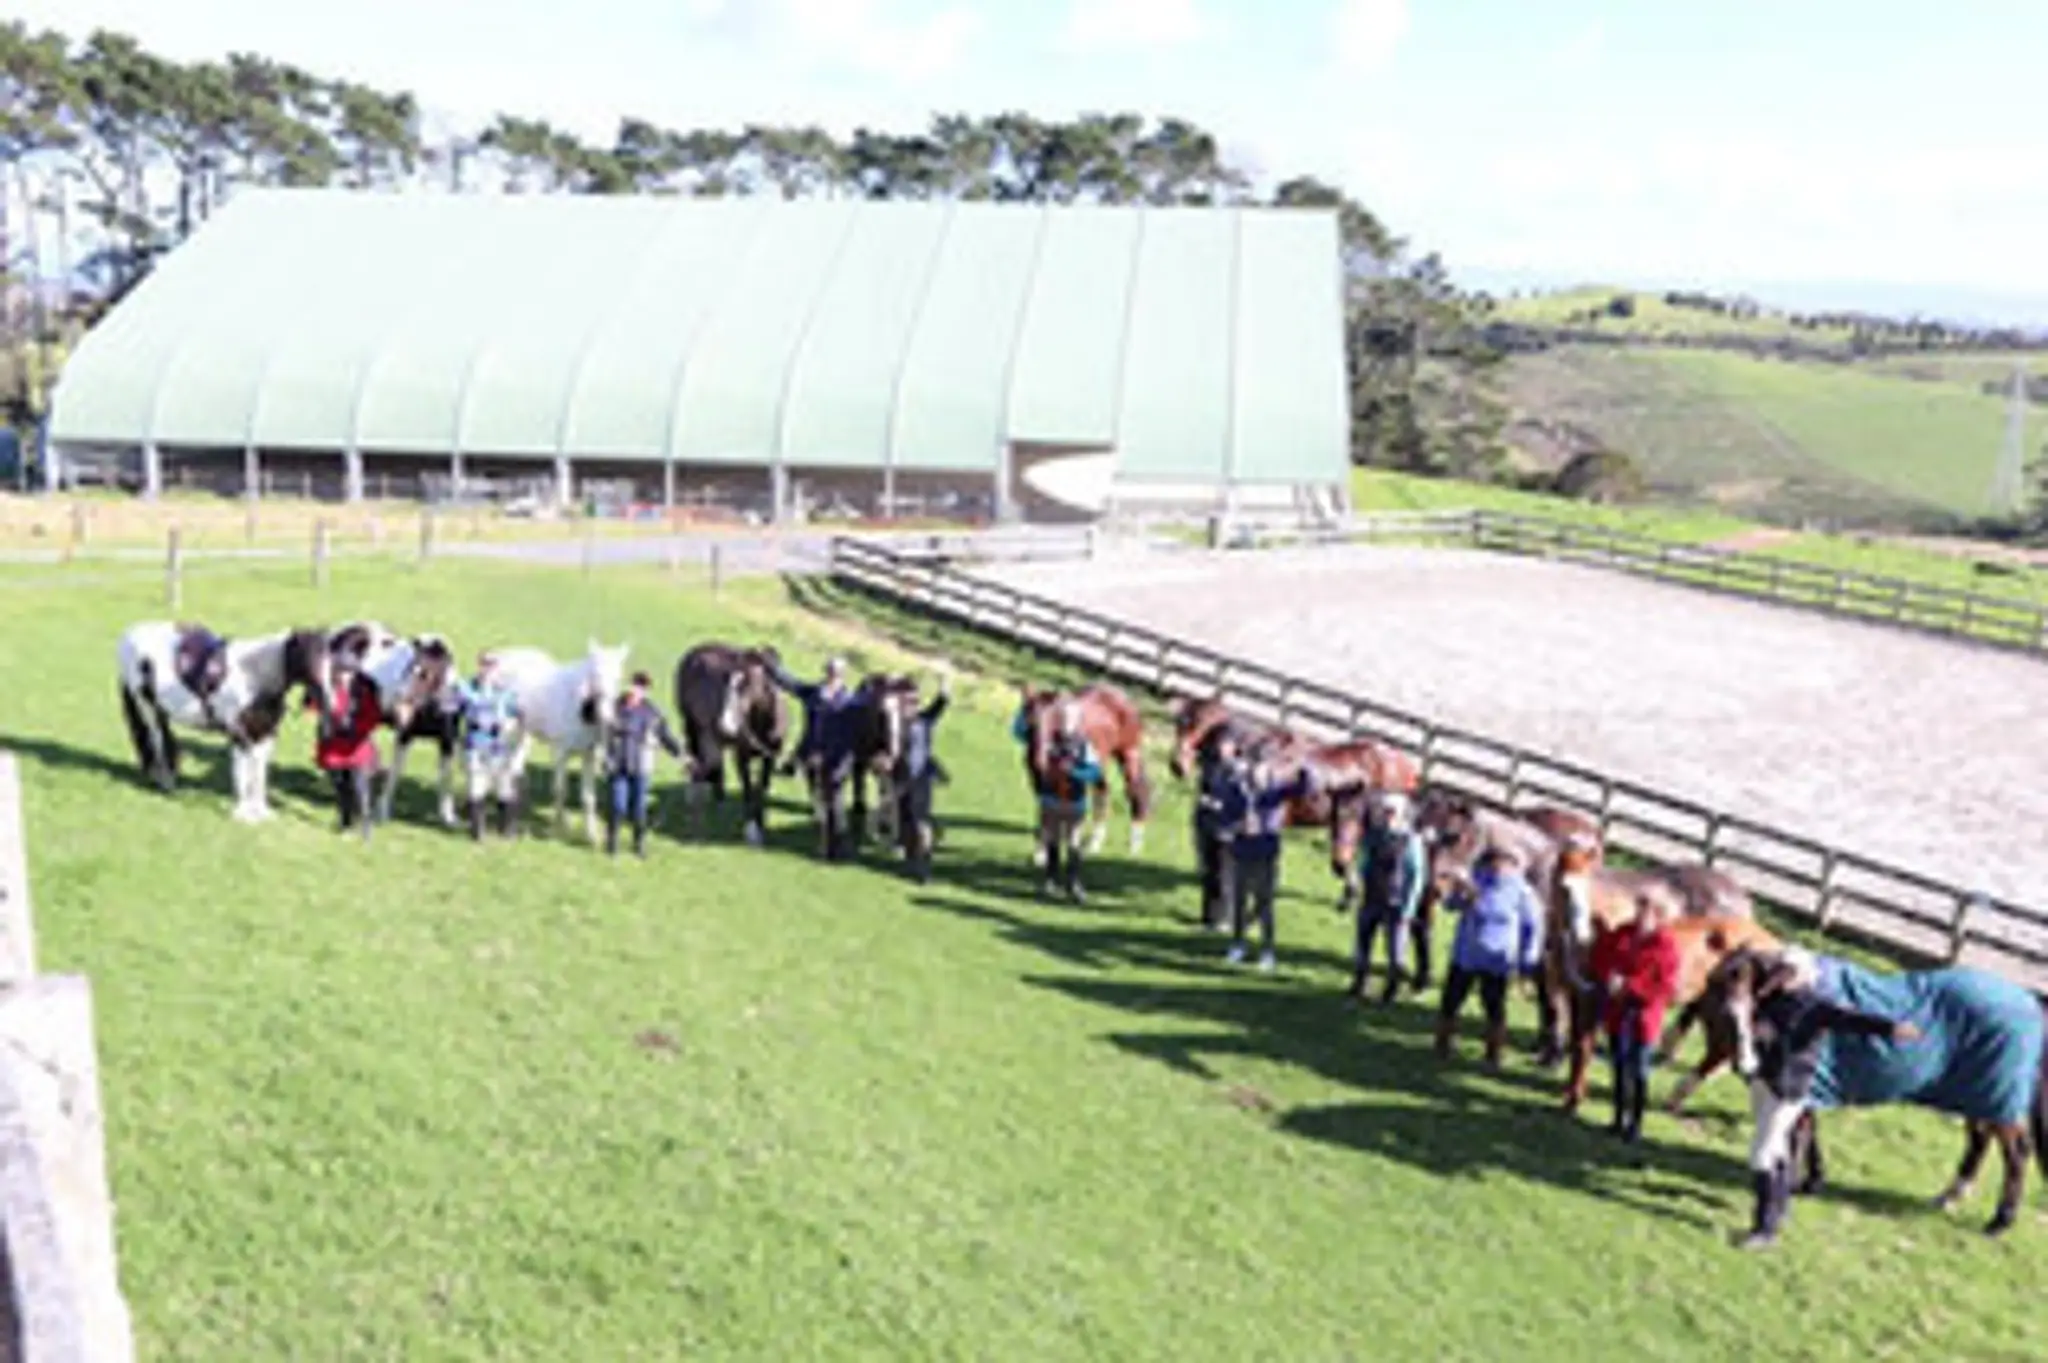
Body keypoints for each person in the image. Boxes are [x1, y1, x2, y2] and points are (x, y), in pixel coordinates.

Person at [1740, 979, 1921, 1247]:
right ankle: (1778, 1209)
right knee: (1775, 1149)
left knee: (1762, 1154)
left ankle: (1764, 1229)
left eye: (1787, 972)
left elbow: (1851, 1019)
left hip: (1789, 1089)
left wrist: (1890, 1028)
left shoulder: (1815, 1007)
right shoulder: (1769, 998)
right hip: (1764, 1081)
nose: (1780, 977)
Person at [1435, 847, 1545, 1067]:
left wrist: (1527, 960)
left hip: (1496, 960)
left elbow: (1533, 926)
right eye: (1492, 865)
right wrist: (1459, 894)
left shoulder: (1522, 892)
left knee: (1493, 1006)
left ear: (1513, 867)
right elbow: (1449, 906)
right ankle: (1443, 1044)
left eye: (1502, 865)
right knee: (1451, 1000)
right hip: (1466, 954)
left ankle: (1493, 1053)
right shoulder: (1476, 880)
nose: (1496, 870)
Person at [1587, 893, 1681, 1142]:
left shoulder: (1665, 946)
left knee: (1639, 1070)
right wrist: (1608, 976)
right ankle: (1618, 1117)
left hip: (1643, 1016)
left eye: (1646, 911)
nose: (1639, 915)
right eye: (1638, 909)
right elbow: (1601, 958)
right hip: (1617, 1013)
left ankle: (1635, 1124)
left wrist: (1629, 986)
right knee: (1618, 1066)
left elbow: (1667, 987)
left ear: (1658, 916)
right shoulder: (1623, 934)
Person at [1223, 757, 1314, 972]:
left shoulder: (1275, 793)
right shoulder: (1237, 792)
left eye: (1262, 775)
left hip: (1265, 855)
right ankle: (1238, 944)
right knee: (1239, 901)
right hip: (1241, 853)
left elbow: (1304, 788)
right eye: (1254, 775)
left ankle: (1267, 951)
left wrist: (1304, 768)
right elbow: (1224, 820)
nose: (1257, 779)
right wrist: (1238, 827)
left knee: (1264, 905)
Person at [767, 655, 861, 861]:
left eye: (835, 673)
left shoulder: (852, 703)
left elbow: (852, 736)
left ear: (842, 676)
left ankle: (836, 847)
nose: (832, 676)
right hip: (811, 756)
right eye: (829, 671)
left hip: (837, 759)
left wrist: (833, 758)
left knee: (833, 799)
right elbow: (792, 684)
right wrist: (772, 667)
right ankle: (827, 842)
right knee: (819, 798)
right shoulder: (814, 694)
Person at [1352, 791, 1428, 1002]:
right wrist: (1356, 882)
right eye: (1384, 812)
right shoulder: (1373, 835)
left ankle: (1391, 989)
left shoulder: (1411, 840)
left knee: (1395, 950)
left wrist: (1409, 907)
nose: (1387, 816)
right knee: (1362, 943)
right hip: (1371, 896)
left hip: (1396, 902)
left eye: (1392, 812)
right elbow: (1364, 862)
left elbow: (1417, 875)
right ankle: (1359, 982)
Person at [603, 670, 686, 859]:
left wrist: (681, 755)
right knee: (618, 805)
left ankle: (639, 844)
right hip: (618, 765)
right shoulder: (614, 707)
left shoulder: (652, 713)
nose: (637, 690)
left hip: (641, 767)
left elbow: (666, 736)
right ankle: (612, 842)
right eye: (635, 685)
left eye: (642, 687)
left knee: (639, 809)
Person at [1032, 700, 1102, 902]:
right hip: (1051, 798)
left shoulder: (1083, 745)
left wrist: (1074, 772)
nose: (1066, 723)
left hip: (1074, 801)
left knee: (1073, 840)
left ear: (1077, 721)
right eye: (1063, 718)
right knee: (1051, 838)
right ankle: (1050, 881)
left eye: (1070, 719)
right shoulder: (1049, 741)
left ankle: (1073, 882)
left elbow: (1095, 772)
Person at [454, 649, 524, 841]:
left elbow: (518, 716)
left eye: (492, 665)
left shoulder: (506, 693)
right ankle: (477, 831)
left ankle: (507, 829)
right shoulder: (467, 688)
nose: (488, 669)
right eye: (485, 664)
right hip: (475, 743)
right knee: (476, 785)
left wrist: (510, 724)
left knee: (504, 788)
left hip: (498, 746)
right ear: (479, 665)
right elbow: (454, 710)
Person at [313, 653, 383, 842]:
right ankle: (346, 822)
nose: (344, 676)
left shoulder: (362, 692)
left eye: (348, 672)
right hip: (334, 748)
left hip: (356, 747)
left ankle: (366, 826)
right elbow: (314, 706)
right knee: (340, 786)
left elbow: (373, 716)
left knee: (360, 787)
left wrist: (355, 727)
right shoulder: (329, 690)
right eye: (341, 672)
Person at [892, 669, 952, 883]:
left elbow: (942, 702)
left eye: (914, 702)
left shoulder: (924, 721)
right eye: (907, 702)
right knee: (905, 821)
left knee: (921, 822)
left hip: (920, 780)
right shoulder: (895, 724)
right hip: (900, 779)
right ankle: (911, 859)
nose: (911, 705)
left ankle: (924, 864)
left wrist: (945, 681)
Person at [1193, 732, 1245, 933]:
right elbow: (1203, 791)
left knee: (1226, 875)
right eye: (1220, 745)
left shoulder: (1239, 771)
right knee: (1209, 873)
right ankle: (1208, 918)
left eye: (1226, 745)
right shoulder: (1211, 768)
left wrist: (1218, 804)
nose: (1222, 750)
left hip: (1228, 830)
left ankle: (1226, 918)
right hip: (1209, 827)